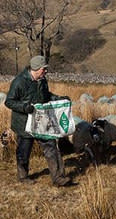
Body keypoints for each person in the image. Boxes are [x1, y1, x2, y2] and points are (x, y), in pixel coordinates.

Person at [5, 55, 72, 186]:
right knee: (24, 151)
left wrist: (59, 99)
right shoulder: (19, 82)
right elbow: (9, 101)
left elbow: (46, 96)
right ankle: (23, 177)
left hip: (41, 121)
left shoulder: (42, 81)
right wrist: (25, 107)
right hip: (24, 123)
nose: (46, 72)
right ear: (35, 69)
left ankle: (58, 178)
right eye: (44, 69)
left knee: (51, 146)